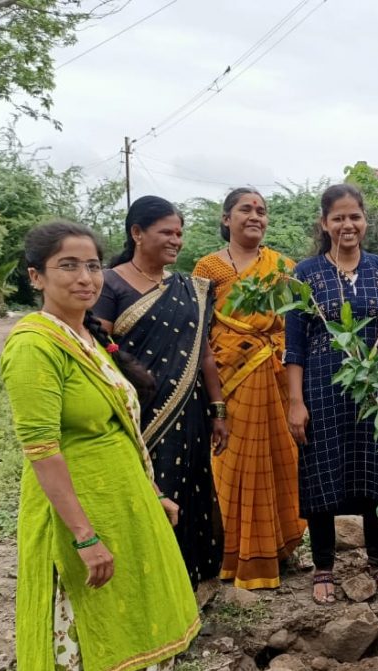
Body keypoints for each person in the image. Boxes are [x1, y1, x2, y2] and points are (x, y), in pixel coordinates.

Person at [0, 221, 200, 671]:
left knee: (137, 608)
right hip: (78, 509)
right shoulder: (34, 348)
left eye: (92, 265)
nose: (85, 277)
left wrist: (152, 493)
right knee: (84, 626)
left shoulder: (87, 339)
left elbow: (119, 429)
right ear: (37, 275)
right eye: (69, 265)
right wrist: (84, 535)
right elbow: (43, 450)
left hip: (125, 499)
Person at [285, 184, 378, 605]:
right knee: (321, 472)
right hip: (322, 387)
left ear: (364, 222)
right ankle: (323, 565)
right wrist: (295, 401)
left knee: (377, 473)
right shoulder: (305, 274)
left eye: (355, 217)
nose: (348, 225)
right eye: (338, 217)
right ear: (324, 224)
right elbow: (295, 344)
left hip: (375, 388)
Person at [95, 196, 227, 586]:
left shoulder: (192, 288)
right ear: (137, 233)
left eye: (180, 233)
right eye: (166, 232)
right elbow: (98, 350)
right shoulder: (109, 283)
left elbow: (204, 353)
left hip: (190, 412)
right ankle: (146, 582)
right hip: (136, 412)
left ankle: (187, 580)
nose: (176, 240)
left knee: (189, 491)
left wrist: (218, 409)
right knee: (146, 494)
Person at [192, 187, 305, 590]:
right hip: (227, 379)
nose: (254, 216)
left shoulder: (283, 266)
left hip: (274, 378)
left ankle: (275, 550)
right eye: (245, 209)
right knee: (228, 465)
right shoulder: (209, 267)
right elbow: (200, 330)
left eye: (261, 210)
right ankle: (227, 552)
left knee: (279, 463)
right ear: (226, 219)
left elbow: (294, 326)